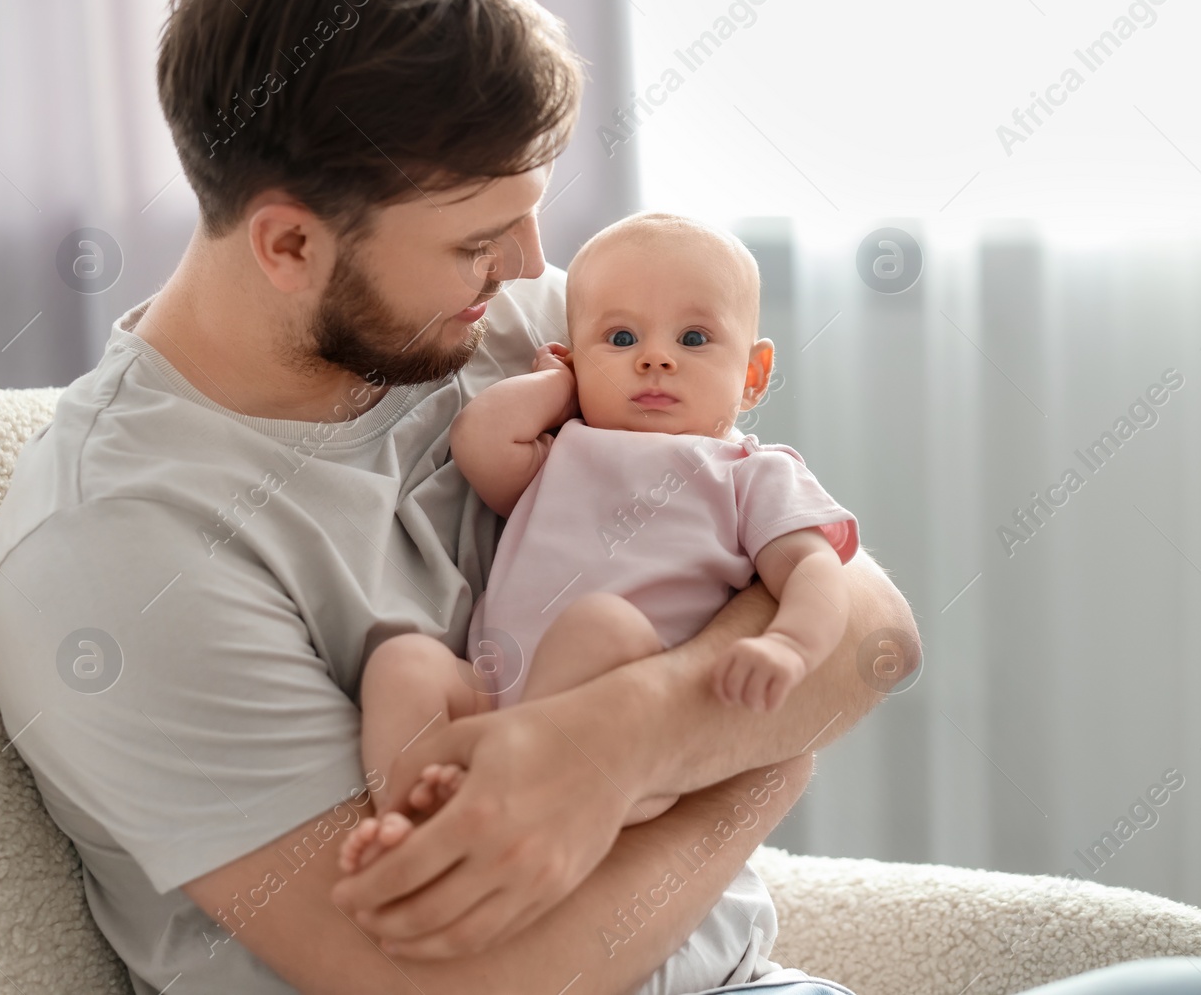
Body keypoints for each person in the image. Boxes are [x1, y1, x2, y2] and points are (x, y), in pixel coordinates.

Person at [0, 0, 917, 992]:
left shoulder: (514, 324)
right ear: (290, 245)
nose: (529, 266)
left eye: (530, 217)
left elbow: (873, 631)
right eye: (480, 238)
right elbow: (459, 986)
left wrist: (627, 737)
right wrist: (760, 768)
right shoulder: (122, 553)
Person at [341, 212, 862, 993]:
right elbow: (482, 442)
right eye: (620, 340)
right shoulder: (567, 446)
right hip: (497, 699)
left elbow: (817, 573)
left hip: (630, 741)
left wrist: (790, 645)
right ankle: (419, 822)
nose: (655, 357)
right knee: (405, 663)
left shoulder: (748, 473)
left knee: (601, 623)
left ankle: (512, 792)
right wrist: (561, 383)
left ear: (752, 375)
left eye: (693, 339)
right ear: (574, 358)